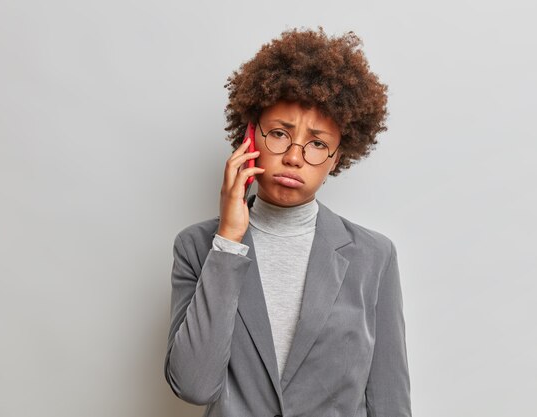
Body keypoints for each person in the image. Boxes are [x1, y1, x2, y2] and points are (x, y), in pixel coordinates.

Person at [164, 27, 411, 417]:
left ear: (336, 157)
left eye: (316, 143)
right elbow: (194, 386)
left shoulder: (373, 256)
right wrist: (228, 239)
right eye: (279, 134)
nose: (294, 157)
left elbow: (389, 398)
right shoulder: (198, 246)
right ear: (250, 135)